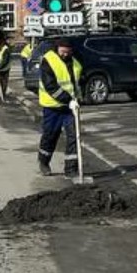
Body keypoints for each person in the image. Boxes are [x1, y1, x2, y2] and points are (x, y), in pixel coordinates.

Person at [36, 38, 84, 176]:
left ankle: (71, 169)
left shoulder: (75, 62)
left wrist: (78, 99)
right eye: (63, 52)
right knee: (50, 135)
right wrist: (67, 99)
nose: (65, 55)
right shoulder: (48, 60)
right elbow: (50, 86)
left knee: (74, 136)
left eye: (68, 52)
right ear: (57, 49)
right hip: (52, 106)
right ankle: (44, 162)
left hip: (70, 108)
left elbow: (77, 82)